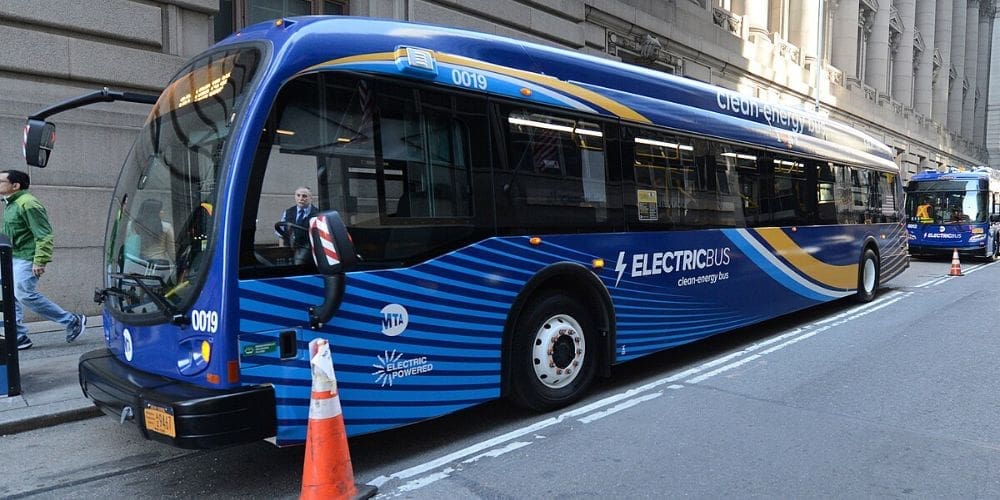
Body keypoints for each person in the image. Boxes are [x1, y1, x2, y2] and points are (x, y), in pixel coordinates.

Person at [0, 169, 86, 350]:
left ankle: (72, 320)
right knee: (10, 295)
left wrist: (40, 260)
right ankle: (18, 336)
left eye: (1, 181)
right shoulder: (11, 203)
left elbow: (44, 234)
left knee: (24, 294)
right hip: (13, 257)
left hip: (27, 257)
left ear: (15, 186)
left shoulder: (28, 203)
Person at [124, 198, 175, 278]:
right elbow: (172, 252)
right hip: (159, 267)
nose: (163, 212)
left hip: (138, 264)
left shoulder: (132, 225)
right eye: (161, 210)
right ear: (154, 212)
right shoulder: (166, 227)